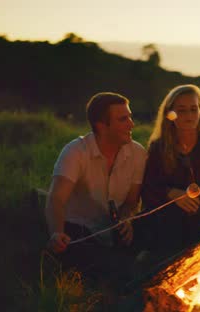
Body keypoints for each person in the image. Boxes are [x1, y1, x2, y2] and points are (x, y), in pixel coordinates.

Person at [45, 92, 147, 278]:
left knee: (150, 236)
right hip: (79, 231)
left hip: (113, 229)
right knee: (101, 264)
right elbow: (56, 198)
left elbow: (132, 201)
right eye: (123, 119)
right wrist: (56, 233)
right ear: (101, 126)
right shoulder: (75, 151)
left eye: (130, 117)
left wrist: (126, 219)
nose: (131, 124)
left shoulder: (138, 153)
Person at [141, 84, 200, 258]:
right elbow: (147, 191)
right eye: (181, 110)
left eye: (193, 109)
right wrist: (172, 193)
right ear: (170, 114)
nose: (189, 116)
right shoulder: (158, 148)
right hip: (168, 227)